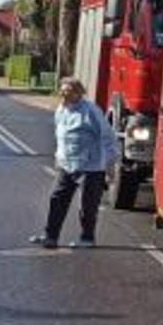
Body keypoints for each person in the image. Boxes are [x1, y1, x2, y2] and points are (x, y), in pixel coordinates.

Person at [29, 78, 118, 249]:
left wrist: (109, 164)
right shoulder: (61, 110)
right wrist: (58, 157)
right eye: (62, 90)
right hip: (67, 165)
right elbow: (60, 136)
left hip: (91, 167)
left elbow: (108, 138)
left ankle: (87, 238)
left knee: (87, 206)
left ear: (78, 93)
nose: (63, 93)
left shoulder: (91, 111)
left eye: (68, 91)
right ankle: (50, 236)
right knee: (57, 199)